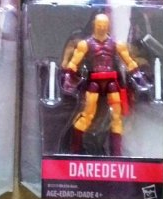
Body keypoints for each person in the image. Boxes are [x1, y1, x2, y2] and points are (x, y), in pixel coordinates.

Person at [61, 13, 148, 156]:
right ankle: (75, 149)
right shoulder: (85, 44)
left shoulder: (116, 44)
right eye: (99, 25)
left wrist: (139, 78)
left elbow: (129, 61)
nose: (101, 27)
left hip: (111, 82)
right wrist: (69, 76)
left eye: (104, 25)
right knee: (87, 115)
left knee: (116, 118)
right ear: (94, 25)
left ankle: (116, 153)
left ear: (108, 26)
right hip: (94, 82)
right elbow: (74, 62)